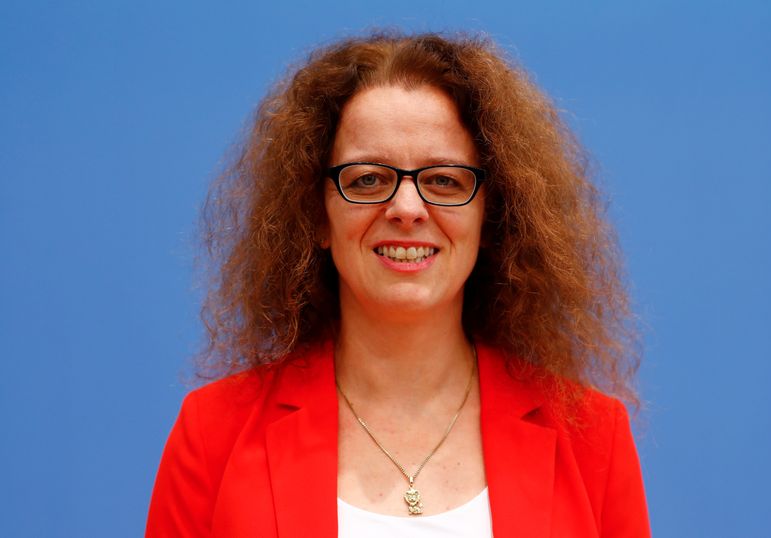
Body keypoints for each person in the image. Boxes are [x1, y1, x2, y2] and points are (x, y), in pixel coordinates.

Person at [146, 31, 650, 537]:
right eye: (367, 179)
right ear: (315, 215)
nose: (407, 209)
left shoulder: (592, 436)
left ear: (491, 216)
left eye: (444, 181)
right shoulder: (214, 432)